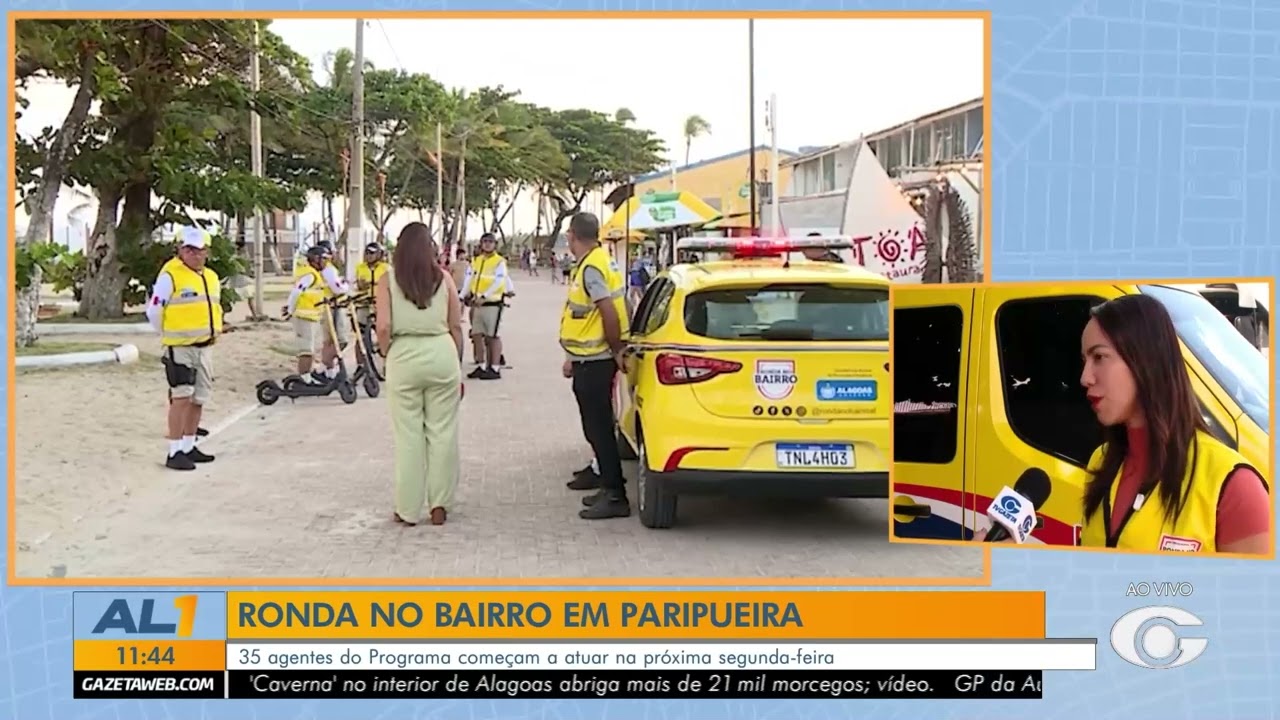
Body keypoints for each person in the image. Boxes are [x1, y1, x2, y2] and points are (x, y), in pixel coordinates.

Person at [977, 294, 1271, 554]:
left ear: (1145, 360)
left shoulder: (1235, 487)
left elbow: (1248, 610)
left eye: (1099, 357)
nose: (1085, 377)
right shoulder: (1101, 461)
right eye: (1084, 360)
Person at [375, 222, 464, 527]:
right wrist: (459, 365)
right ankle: (439, 505)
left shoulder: (387, 280)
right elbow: (455, 325)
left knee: (408, 436)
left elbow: (383, 327)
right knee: (443, 433)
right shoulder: (445, 279)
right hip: (442, 354)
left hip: (405, 355)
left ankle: (408, 509)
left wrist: (387, 352)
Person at [559, 212, 631, 520]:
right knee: (597, 426)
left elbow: (608, 312)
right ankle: (606, 483)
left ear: (573, 235)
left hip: (598, 361)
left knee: (599, 427)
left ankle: (615, 494)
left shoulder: (591, 267)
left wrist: (616, 350)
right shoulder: (599, 260)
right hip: (588, 360)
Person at [146, 226, 222, 471]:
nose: (195, 254)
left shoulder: (210, 277)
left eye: (200, 250)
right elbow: (155, 310)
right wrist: (166, 335)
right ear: (179, 249)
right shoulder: (170, 275)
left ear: (207, 251)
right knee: (181, 398)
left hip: (205, 346)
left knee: (198, 399)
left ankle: (189, 445)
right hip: (180, 347)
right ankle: (174, 450)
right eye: (189, 249)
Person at [460, 233, 515, 380]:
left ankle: (495, 368)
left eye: (490, 242)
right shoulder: (476, 261)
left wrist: (484, 296)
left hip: (492, 303)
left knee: (493, 336)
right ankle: (482, 365)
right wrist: (462, 296)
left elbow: (499, 281)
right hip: (477, 303)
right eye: (485, 241)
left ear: (495, 244)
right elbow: (469, 279)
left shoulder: (499, 262)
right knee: (477, 334)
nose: (487, 244)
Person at [283, 245, 332, 383]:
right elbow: (296, 292)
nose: (325, 263)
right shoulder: (309, 275)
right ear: (316, 259)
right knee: (306, 351)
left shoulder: (315, 274)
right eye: (324, 259)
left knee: (310, 350)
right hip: (304, 317)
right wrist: (290, 309)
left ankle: (307, 377)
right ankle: (304, 379)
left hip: (311, 317)